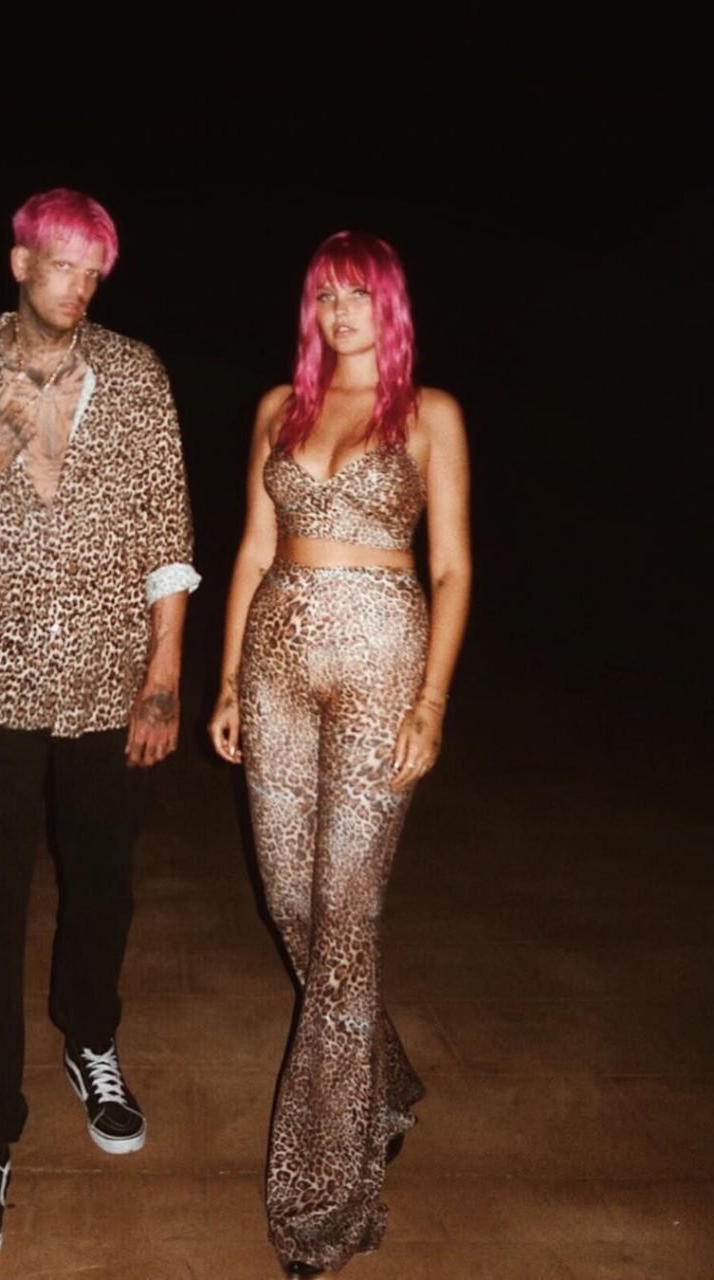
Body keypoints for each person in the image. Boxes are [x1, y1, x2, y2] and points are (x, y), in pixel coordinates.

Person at [0, 188, 199, 1275]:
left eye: (94, 270)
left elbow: (168, 533)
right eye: (63, 263)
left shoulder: (138, 376)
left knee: (103, 879)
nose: (79, 284)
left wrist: (163, 676)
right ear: (20, 261)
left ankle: (90, 1036)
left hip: (110, 682)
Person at [209, 231, 471, 1276]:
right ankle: (385, 1081)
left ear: (390, 305)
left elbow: (450, 569)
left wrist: (432, 702)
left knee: (346, 924)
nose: (340, 310)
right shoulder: (280, 406)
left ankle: (322, 1201)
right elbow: (250, 549)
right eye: (325, 294)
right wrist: (227, 680)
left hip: (381, 660)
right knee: (291, 904)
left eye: (359, 293)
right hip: (275, 658)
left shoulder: (430, 413)